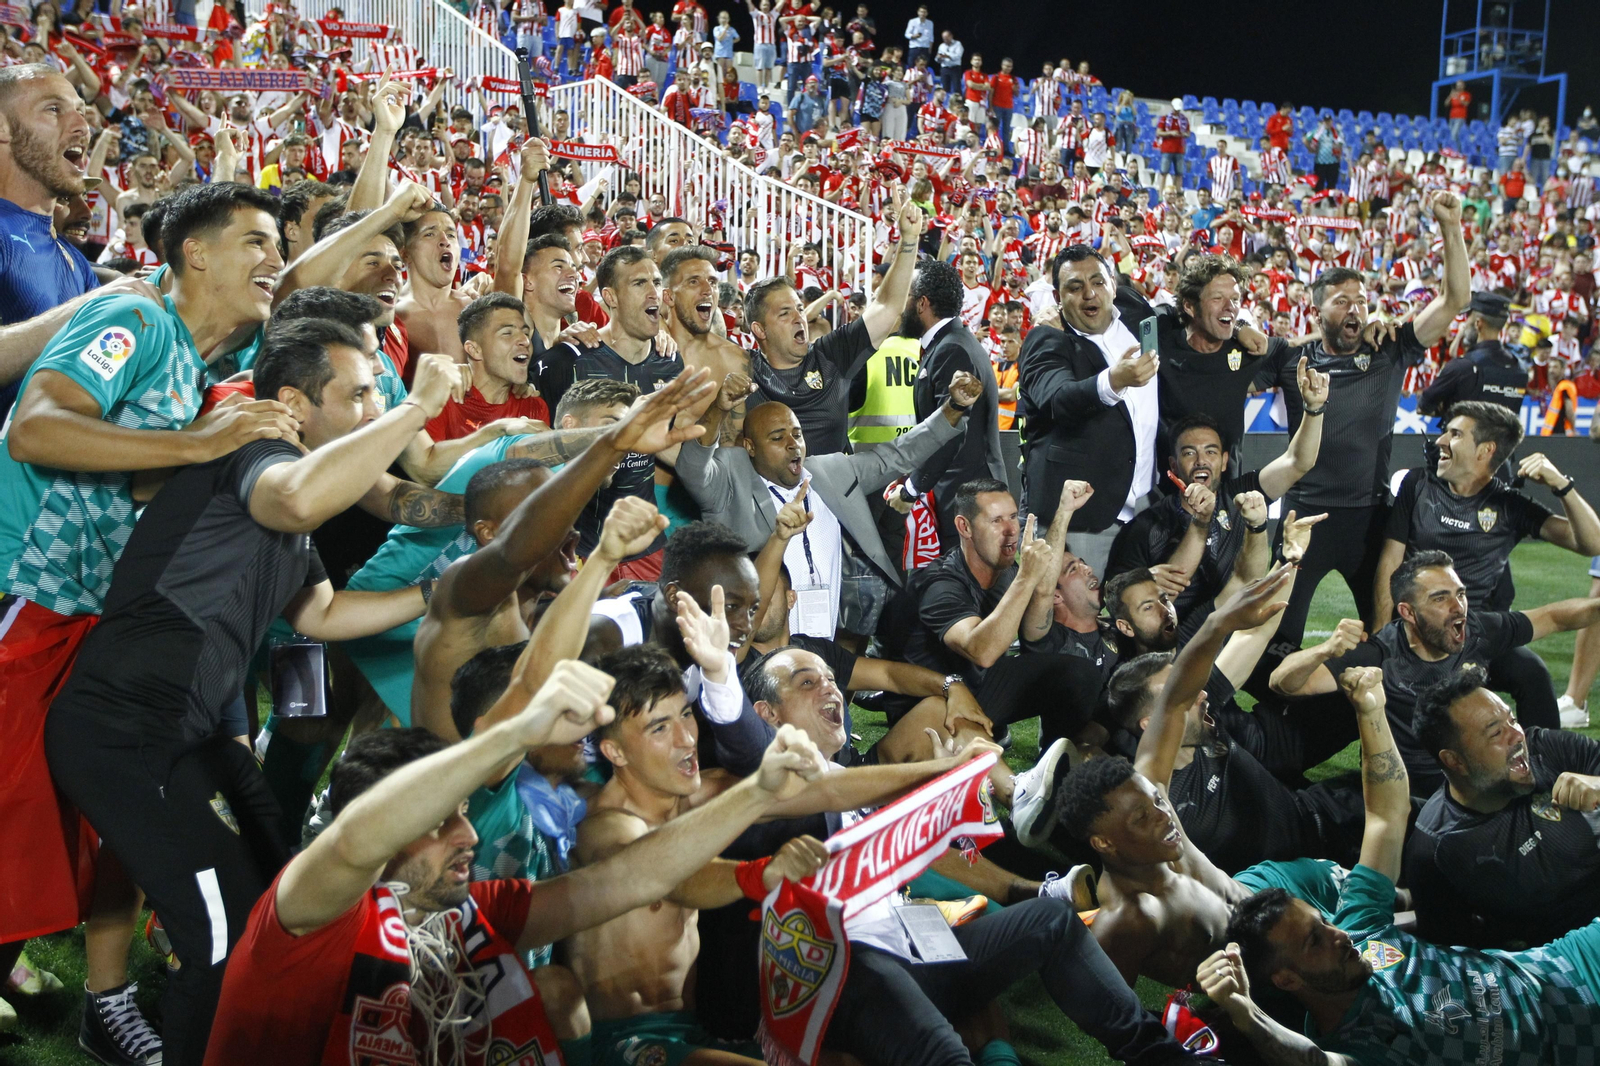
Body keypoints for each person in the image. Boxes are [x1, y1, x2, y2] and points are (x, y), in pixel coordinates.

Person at [45, 320, 465, 1065]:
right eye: (359, 394)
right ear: (296, 403)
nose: (373, 408)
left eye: (378, 394)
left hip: (194, 736)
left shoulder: (296, 487)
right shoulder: (257, 453)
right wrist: (416, 408)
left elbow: (321, 614)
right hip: (126, 731)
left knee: (285, 898)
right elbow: (297, 502)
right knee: (219, 936)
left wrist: (438, 592)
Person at [0, 179, 305, 1057]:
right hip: (21, 591)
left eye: (278, 246)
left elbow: (131, 476)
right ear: (194, 254)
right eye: (255, 242)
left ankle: (95, 998)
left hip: (78, 609)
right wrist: (197, 446)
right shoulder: (132, 318)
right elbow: (38, 428)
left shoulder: (193, 366)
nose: (274, 260)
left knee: (58, 822)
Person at [203, 653, 840, 1065]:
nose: (468, 835)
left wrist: (757, 793)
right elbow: (353, 841)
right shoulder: (308, 918)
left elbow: (631, 878)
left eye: (462, 814)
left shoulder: (468, 913)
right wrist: (515, 732)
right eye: (440, 822)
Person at [717, 646, 1226, 1066]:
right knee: (942, 1045)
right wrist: (719, 675)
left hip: (910, 951)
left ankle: (1163, 1056)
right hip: (841, 975)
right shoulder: (759, 784)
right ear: (767, 715)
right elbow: (760, 755)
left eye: (831, 679)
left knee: (1051, 921)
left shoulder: (847, 784)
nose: (830, 689)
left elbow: (905, 852)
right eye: (807, 683)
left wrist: (941, 798)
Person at [566, 643, 999, 1066]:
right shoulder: (605, 828)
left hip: (699, 1028)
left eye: (684, 715)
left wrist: (946, 769)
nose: (685, 739)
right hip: (627, 1041)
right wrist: (759, 874)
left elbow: (828, 790)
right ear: (614, 751)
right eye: (659, 728)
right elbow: (669, 876)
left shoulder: (694, 793)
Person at [1200, 668, 1600, 1066]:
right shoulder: (1356, 1041)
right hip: (1570, 1043)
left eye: (1322, 923)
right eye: (1314, 941)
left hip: (1568, 966)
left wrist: (1371, 711)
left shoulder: (1360, 928)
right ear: (1287, 979)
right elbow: (1317, 1062)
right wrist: (1246, 1016)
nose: (1337, 934)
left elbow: (1386, 816)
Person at [1054, 568, 1353, 989]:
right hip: (1280, 901)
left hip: (1315, 825)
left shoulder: (1187, 745)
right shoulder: (1152, 818)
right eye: (1142, 816)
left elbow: (1193, 685)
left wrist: (1225, 620)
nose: (1161, 815)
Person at [1256, 192, 1470, 667]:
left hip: (1370, 517)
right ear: (1317, 312)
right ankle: (1278, 709)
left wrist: (1451, 226)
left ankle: (1390, 708)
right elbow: (1231, 379)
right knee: (1275, 635)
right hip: (1304, 518)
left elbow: (1454, 300)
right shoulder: (1291, 359)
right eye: (1342, 302)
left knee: (1391, 635)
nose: (1355, 310)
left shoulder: (1388, 348)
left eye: (1361, 301)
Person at [1271, 550, 1600, 797]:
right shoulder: (1381, 654)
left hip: (1475, 780)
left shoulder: (1477, 631)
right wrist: (1325, 650)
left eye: (1460, 594)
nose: (1458, 607)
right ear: (1408, 612)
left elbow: (1553, 617)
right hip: (1411, 793)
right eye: (1441, 598)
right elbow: (1286, 683)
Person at [678, 373, 977, 640]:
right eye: (778, 438)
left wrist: (953, 408)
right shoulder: (730, 481)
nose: (793, 444)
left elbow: (897, 455)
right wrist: (719, 409)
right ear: (750, 447)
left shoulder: (831, 472)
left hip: (833, 637)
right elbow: (691, 467)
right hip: (760, 643)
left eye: (797, 434)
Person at [1374, 401, 1599, 728]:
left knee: (1532, 673)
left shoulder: (1510, 506)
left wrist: (1561, 486)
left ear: (1485, 450)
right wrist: (1382, 635)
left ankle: (1544, 756)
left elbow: (1592, 543)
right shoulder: (1417, 484)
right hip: (1418, 630)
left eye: (1455, 434)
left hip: (1477, 632)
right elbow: (1390, 561)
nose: (1440, 441)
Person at [886, 477, 1107, 751]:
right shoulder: (939, 584)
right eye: (996, 521)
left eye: (1013, 517)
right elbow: (982, 651)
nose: (1011, 530)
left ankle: (1056, 766)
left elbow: (1043, 590)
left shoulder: (1006, 573)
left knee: (1077, 673)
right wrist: (1025, 578)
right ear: (964, 527)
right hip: (930, 703)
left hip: (976, 685)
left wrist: (1064, 511)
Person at [1106, 357, 1327, 626]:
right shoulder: (1147, 527)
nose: (1201, 461)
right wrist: (1144, 580)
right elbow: (1113, 597)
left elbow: (1297, 462)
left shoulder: (1239, 495)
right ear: (1173, 465)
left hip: (1236, 634)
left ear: (1223, 462)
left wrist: (1313, 409)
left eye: (1210, 452)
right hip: (1180, 639)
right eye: (1189, 453)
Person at [1406, 664, 1600, 949]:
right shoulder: (1440, 850)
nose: (1517, 735)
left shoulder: (1547, 751)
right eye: (1496, 732)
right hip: (1564, 961)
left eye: (1512, 720)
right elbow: (1452, 954)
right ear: (1454, 761)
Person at [534, 246, 688, 578]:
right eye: (639, 283)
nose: (654, 292)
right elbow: (538, 444)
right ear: (610, 297)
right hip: (576, 548)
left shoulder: (670, 361)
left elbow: (667, 445)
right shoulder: (568, 360)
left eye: (656, 281)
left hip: (644, 546)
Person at [1017, 244, 1159, 577]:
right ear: (1057, 297)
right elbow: (1058, 399)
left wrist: (1239, 326)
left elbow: (1177, 316)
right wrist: (1113, 380)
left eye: (1097, 282)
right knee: (1075, 608)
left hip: (1147, 508)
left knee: (1142, 607)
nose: (1089, 294)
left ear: (1113, 284)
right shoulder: (1046, 339)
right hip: (1082, 516)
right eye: (1075, 287)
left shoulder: (1135, 309)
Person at [743, 200, 922, 456]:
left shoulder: (831, 354)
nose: (799, 317)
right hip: (771, 482)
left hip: (835, 479)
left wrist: (909, 240)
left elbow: (888, 306)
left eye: (799, 308)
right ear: (760, 330)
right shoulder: (744, 369)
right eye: (785, 313)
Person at [901, 258, 1006, 548]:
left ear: (922, 303)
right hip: (967, 498)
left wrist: (911, 489)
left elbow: (950, 432)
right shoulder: (952, 343)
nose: (900, 306)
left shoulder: (952, 350)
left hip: (967, 501)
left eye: (906, 296)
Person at [1154, 254, 1286, 453]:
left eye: (1235, 299)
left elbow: (1287, 353)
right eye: (1217, 298)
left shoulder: (1245, 351)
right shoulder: (1163, 342)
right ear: (1189, 306)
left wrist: (1238, 327)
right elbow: (1157, 314)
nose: (1230, 307)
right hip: (1169, 471)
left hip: (1229, 473)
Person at [424, 293, 551, 441]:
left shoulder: (534, 408)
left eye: (526, 333)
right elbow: (428, 456)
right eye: (507, 333)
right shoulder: (441, 402)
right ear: (474, 350)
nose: (525, 341)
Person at [1416, 292, 1528, 417]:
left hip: (1462, 429)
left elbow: (1423, 406)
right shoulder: (1520, 368)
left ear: (1478, 323)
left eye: (1468, 317)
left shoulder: (1462, 366)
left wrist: (1447, 408)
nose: (1466, 322)